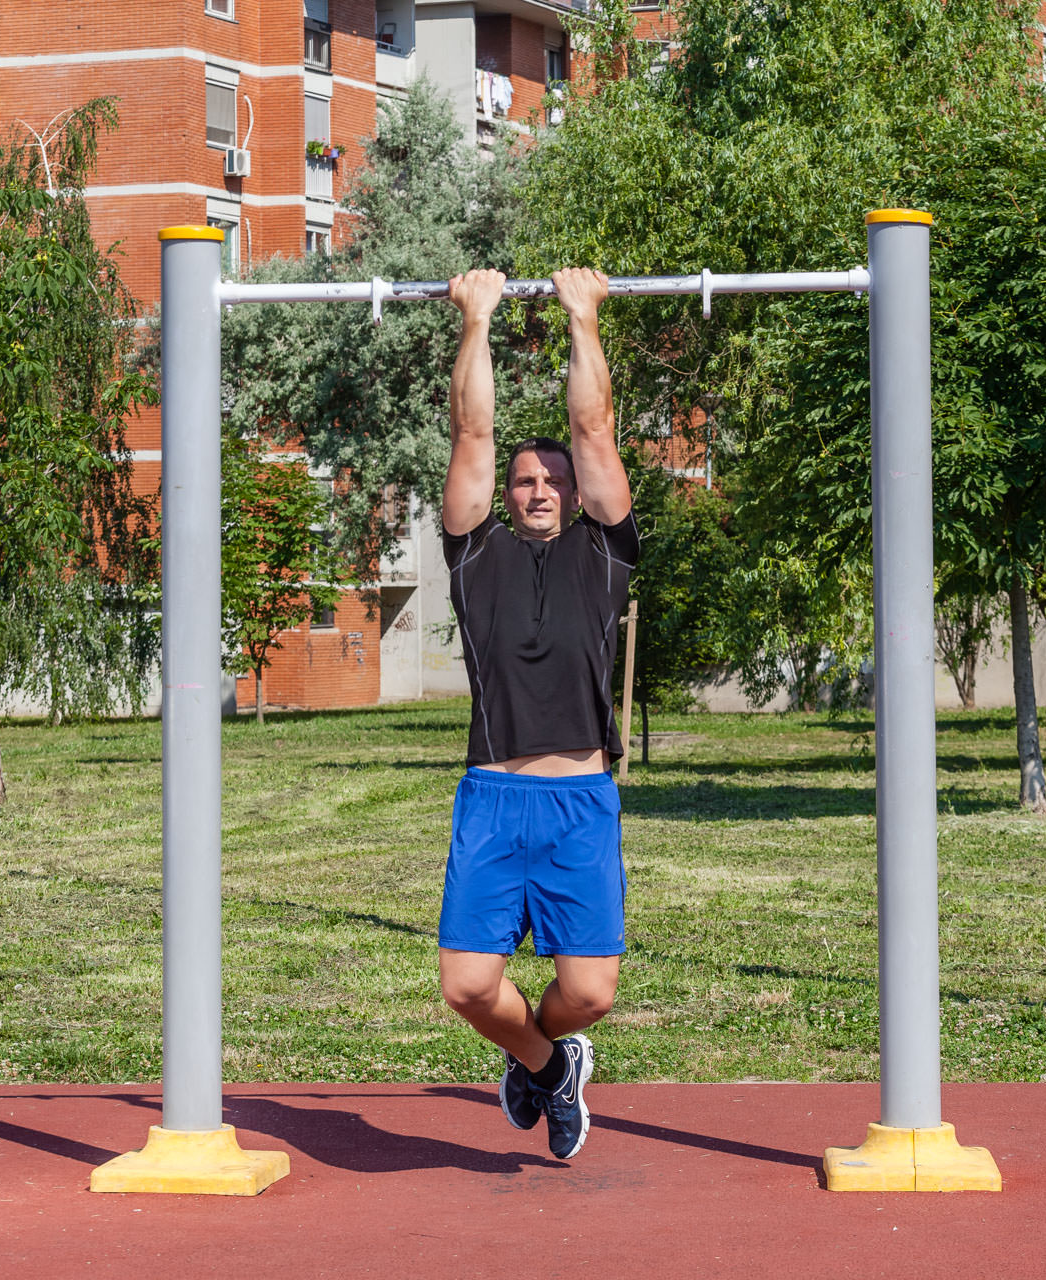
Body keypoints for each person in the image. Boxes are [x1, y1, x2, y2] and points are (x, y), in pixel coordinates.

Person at [437, 266, 639, 1160]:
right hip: (493, 795)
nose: (539, 489)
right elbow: (471, 431)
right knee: (469, 988)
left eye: (552, 479)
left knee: (590, 992)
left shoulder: (605, 556)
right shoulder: (475, 557)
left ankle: (551, 1051)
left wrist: (581, 317)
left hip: (579, 803)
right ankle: (550, 1068)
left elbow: (591, 427)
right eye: (524, 481)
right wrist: (476, 320)